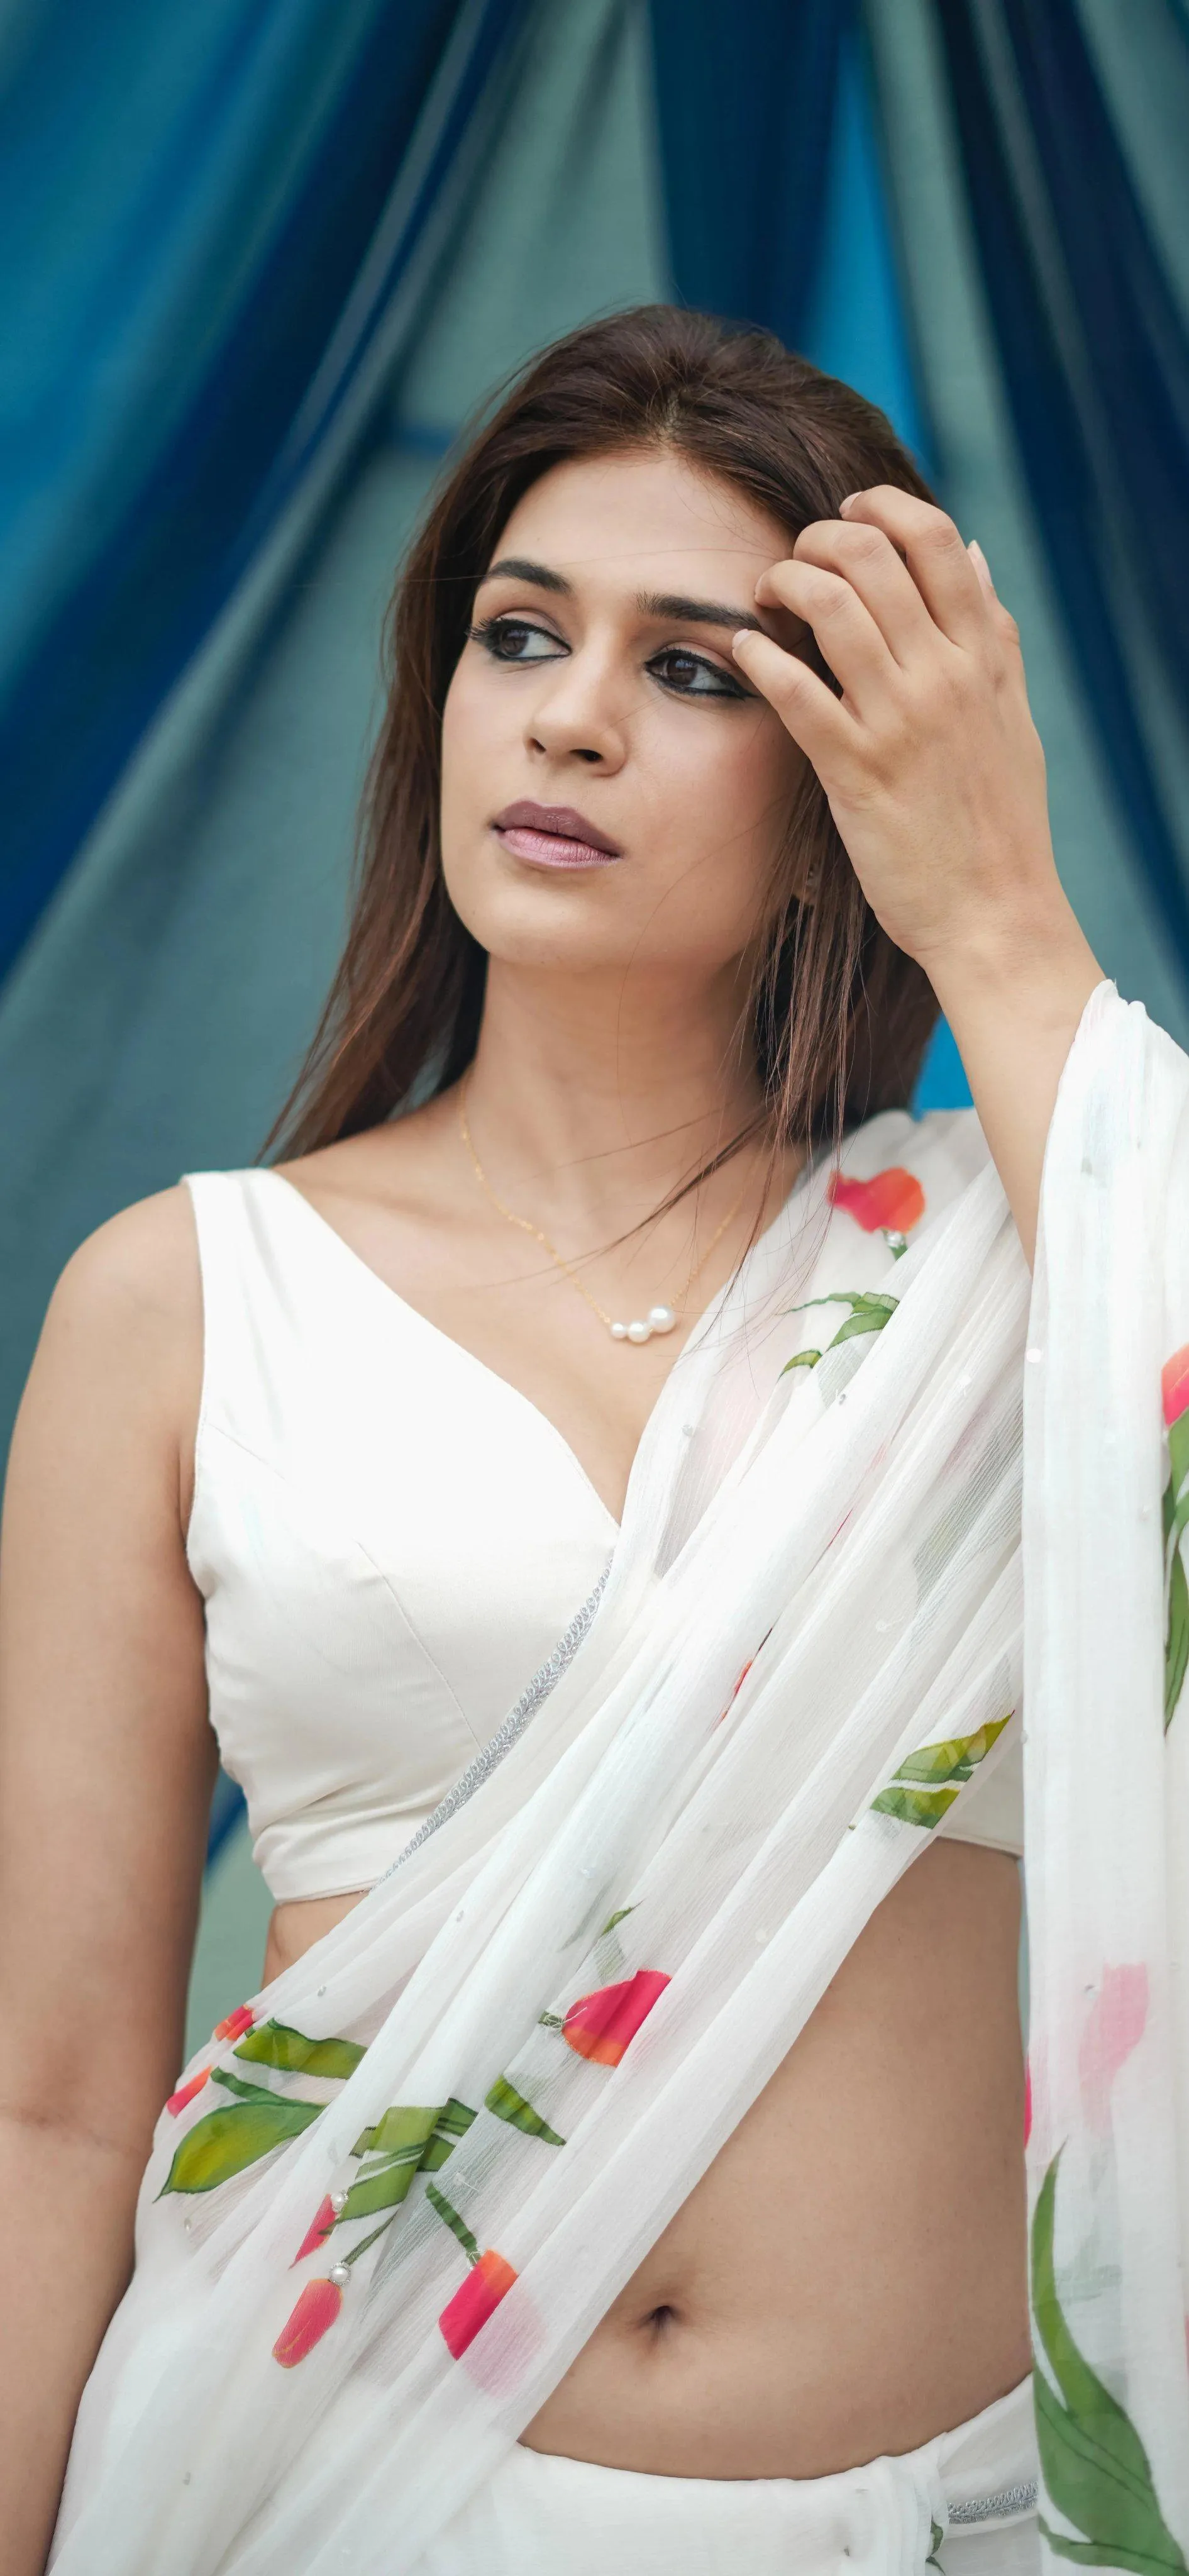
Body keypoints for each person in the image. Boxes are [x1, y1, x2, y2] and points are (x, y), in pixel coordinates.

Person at [2, 307, 1186, 2576]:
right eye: (519, 632)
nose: (566, 711)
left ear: (855, 759)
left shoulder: (1027, 1250)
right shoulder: (185, 1299)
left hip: (935, 2519)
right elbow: (50, 2108)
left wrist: (1002, 918)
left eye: (698, 668)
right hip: (320, 2500)